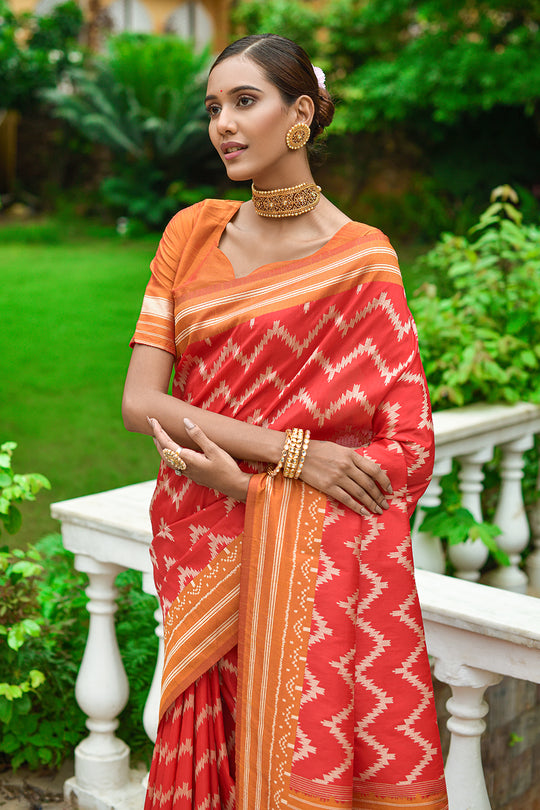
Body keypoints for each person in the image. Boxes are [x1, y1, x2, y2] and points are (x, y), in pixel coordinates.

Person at [122, 33, 448, 810]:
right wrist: (293, 456)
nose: (224, 125)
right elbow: (141, 402)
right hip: (200, 540)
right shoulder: (190, 233)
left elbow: (407, 449)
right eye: (213, 108)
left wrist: (252, 487)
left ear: (301, 113)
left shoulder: (363, 261)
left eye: (245, 101)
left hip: (298, 568)